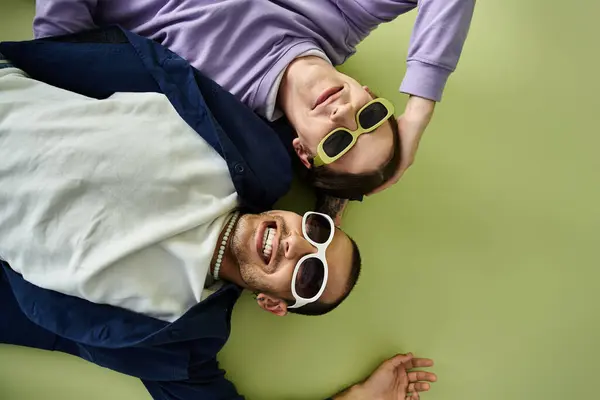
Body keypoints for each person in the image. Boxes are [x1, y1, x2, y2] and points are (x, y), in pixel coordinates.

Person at [0, 51, 437, 400]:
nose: (300, 246)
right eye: (318, 231)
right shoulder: (250, 152)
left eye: (309, 274)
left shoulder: (177, 342)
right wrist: (377, 159)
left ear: (272, 303)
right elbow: (323, 113)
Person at [33, 0, 476, 218]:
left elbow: (66, 50)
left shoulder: (213, 102)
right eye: (371, 117)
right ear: (367, 90)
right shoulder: (341, 16)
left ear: (303, 150)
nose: (343, 117)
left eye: (339, 143)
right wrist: (418, 113)